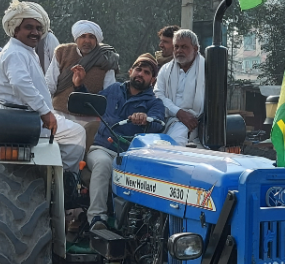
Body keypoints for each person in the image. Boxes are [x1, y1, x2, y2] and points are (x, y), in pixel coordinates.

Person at [0, 0, 85, 172]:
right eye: (29, 27)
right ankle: (65, 179)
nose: (35, 32)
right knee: (77, 133)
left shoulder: (24, 51)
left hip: (26, 115)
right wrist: (45, 112)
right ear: (16, 29)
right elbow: (21, 84)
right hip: (25, 119)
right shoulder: (16, 53)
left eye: (39, 28)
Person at [77, 53, 165, 231]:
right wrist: (79, 85)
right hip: (102, 148)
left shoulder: (155, 103)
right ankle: (97, 219)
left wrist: (145, 118)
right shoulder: (113, 90)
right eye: (138, 69)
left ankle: (129, 227)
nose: (140, 74)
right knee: (102, 164)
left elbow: (158, 124)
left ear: (153, 80)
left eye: (146, 72)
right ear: (131, 71)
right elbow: (90, 104)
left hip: (131, 156)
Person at [46, 20, 119, 113]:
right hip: (60, 112)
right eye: (83, 36)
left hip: (90, 116)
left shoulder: (106, 58)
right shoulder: (63, 52)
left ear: (97, 40)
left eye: (91, 37)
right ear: (76, 38)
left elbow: (110, 91)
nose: (87, 41)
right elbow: (50, 84)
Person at [154, 29, 205, 147]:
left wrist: (190, 118)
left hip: (199, 123)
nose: (179, 51)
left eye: (184, 47)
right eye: (176, 47)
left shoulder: (207, 69)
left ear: (195, 48)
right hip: (170, 120)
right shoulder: (165, 70)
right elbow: (158, 95)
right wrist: (179, 113)